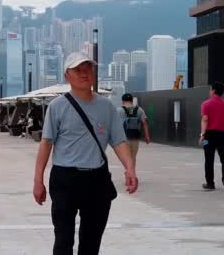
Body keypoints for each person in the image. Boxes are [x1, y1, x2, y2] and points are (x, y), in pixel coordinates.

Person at [33, 52, 137, 255]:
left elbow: (119, 142)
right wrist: (38, 180)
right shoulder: (57, 107)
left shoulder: (107, 107)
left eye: (88, 69)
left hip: (96, 180)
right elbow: (46, 144)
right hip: (65, 178)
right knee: (63, 240)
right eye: (78, 70)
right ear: (67, 76)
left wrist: (130, 169)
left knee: (91, 242)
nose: (84, 74)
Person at [200, 82, 224, 192]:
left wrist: (202, 135)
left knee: (208, 160)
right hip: (223, 135)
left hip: (209, 136)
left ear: (213, 90)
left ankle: (210, 183)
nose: (209, 91)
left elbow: (205, 119)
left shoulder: (206, 104)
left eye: (210, 89)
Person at [117, 93, 150, 169]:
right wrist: (147, 136)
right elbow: (144, 123)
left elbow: (114, 124)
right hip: (135, 138)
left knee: (126, 158)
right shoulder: (139, 110)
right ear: (132, 101)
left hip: (123, 139)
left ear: (122, 101)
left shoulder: (119, 110)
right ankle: (133, 175)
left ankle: (129, 175)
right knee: (133, 157)